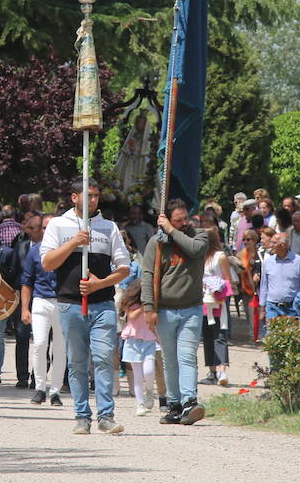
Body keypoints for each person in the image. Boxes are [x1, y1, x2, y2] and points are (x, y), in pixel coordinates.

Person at [40, 179, 132, 435]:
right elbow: (47, 262)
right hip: (70, 305)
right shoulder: (58, 225)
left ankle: (106, 416)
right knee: (78, 362)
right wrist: (73, 243)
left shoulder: (109, 227)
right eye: (87, 195)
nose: (92, 200)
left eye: (96, 196)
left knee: (103, 358)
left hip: (103, 305)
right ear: (74, 197)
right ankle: (82, 416)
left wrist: (100, 283)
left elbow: (124, 267)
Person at [140, 198, 209, 426]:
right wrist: (148, 307)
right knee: (170, 360)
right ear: (167, 218)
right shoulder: (156, 244)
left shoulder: (199, 236)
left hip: (191, 309)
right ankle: (174, 405)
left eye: (185, 219)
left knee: (187, 356)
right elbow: (148, 275)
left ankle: (190, 401)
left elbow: (196, 250)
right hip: (165, 311)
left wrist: (171, 229)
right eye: (177, 220)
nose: (183, 223)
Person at [21, 212, 65, 407]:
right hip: (41, 301)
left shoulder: (67, 251)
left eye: (51, 227)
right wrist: (24, 308)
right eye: (45, 227)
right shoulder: (35, 251)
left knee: (60, 349)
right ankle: (40, 388)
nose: (48, 231)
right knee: (39, 344)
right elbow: (27, 282)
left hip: (63, 302)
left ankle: (55, 391)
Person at [0, 212, 40, 388]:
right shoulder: (20, 246)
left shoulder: (49, 246)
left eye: (33, 227)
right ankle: (22, 376)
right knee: (22, 337)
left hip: (43, 296)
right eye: (27, 227)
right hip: (22, 297)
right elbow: (12, 271)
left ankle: (38, 376)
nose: (29, 230)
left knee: (41, 339)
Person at [117, 278, 159, 416]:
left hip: (148, 340)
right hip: (133, 341)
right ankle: (140, 404)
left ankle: (149, 391)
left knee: (149, 370)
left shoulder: (153, 303)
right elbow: (133, 316)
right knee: (138, 375)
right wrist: (144, 306)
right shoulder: (131, 304)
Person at [258, 229, 300, 334]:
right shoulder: (268, 262)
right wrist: (262, 309)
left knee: (291, 341)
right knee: (273, 339)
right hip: (272, 308)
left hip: (292, 309)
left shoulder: (298, 261)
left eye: (274, 243)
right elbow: (264, 286)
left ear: (283, 245)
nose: (271, 245)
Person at [200, 225, 232, 387]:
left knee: (220, 333)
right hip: (203, 301)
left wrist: (216, 287)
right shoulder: (199, 257)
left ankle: (222, 370)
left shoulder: (220, 256)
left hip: (217, 300)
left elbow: (228, 279)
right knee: (207, 335)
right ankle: (212, 371)